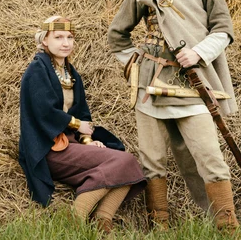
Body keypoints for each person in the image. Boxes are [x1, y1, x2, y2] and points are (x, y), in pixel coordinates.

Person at [107, 0, 240, 231]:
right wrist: (135, 65)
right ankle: (160, 229)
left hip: (193, 82)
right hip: (151, 86)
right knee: (153, 161)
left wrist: (198, 53)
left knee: (210, 157)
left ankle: (227, 229)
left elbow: (223, 28)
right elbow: (117, 35)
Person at [18, 16, 147, 233]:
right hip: (48, 147)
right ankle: (76, 218)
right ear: (44, 41)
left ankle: (103, 219)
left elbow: (83, 113)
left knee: (127, 165)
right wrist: (77, 125)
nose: (66, 42)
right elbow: (43, 112)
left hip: (71, 144)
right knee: (124, 162)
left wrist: (87, 140)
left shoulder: (71, 73)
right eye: (58, 37)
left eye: (69, 37)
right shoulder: (36, 70)